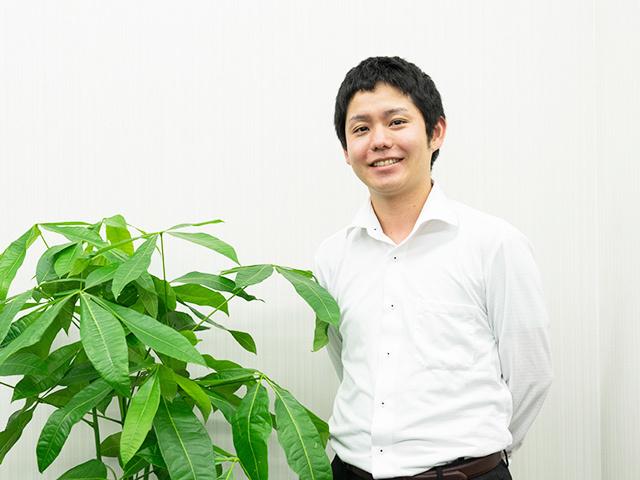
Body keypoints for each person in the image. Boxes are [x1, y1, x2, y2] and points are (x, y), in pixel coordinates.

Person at [313, 56, 553, 480]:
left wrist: (482, 453)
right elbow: (347, 361)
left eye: (397, 122)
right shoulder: (332, 257)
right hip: (349, 471)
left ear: (435, 132)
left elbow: (530, 375)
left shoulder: (494, 243)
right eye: (361, 129)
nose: (379, 141)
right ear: (346, 151)